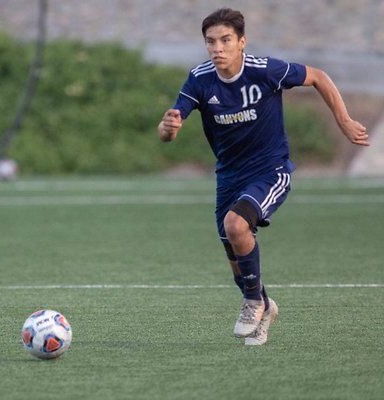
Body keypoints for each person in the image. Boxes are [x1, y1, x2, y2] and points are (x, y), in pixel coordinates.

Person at [157, 8, 369, 345]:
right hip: (228, 176)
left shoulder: (265, 70)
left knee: (235, 225)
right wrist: (168, 128)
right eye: (211, 42)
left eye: (226, 40)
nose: (218, 48)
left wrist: (343, 120)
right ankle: (264, 304)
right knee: (235, 255)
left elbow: (318, 76)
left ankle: (254, 303)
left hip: (271, 171)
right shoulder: (199, 79)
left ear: (242, 42)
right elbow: (169, 129)